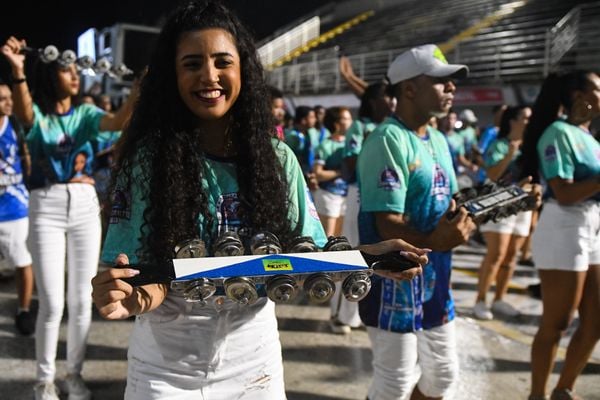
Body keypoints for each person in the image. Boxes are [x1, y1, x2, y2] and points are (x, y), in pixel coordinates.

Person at [89, 2, 427, 399]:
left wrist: (367, 258)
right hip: (166, 366)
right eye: (192, 64)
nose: (209, 77)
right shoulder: (146, 161)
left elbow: (302, 258)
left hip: (254, 362)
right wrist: (129, 296)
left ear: (243, 70)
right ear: (172, 76)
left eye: (222, 62)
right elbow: (150, 280)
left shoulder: (277, 157)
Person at [2, 35, 139, 400]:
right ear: (51, 75)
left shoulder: (88, 115)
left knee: (81, 300)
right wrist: (17, 71)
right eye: (66, 69)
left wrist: (140, 89)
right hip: (44, 204)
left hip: (83, 204)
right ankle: (43, 380)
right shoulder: (38, 116)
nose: (75, 75)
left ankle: (73, 375)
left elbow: (117, 121)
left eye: (77, 69)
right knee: (52, 303)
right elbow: (25, 112)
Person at [357, 44, 476, 400]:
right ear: (409, 89)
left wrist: (490, 206)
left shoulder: (438, 138)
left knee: (442, 375)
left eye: (453, 82)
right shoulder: (387, 139)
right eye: (442, 82)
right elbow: (385, 224)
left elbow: (451, 204)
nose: (452, 88)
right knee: (392, 384)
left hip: (436, 280)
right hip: (393, 281)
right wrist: (437, 239)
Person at [522, 71, 600, 400]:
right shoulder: (557, 133)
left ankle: (563, 388)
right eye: (598, 89)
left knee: (595, 320)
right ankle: (537, 395)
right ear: (578, 96)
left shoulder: (590, 137)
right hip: (564, 224)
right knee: (557, 322)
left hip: (592, 223)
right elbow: (565, 193)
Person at [472, 105, 534, 320]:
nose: (529, 121)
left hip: (523, 204)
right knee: (496, 254)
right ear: (513, 121)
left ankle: (499, 298)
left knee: (511, 257)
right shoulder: (498, 145)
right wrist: (509, 154)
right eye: (525, 117)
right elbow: (492, 173)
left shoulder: (530, 147)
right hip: (499, 201)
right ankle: (480, 300)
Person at [0, 81, 35, 335]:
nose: (9, 102)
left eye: (9, 97)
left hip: (15, 207)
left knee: (23, 262)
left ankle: (23, 310)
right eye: (2, 99)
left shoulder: (16, 126)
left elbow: (29, 159)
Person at [312, 106, 352, 238]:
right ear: (336, 123)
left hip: (345, 196)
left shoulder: (351, 144)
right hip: (328, 195)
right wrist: (340, 172)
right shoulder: (326, 145)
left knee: (340, 237)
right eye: (346, 118)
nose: (351, 122)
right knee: (328, 237)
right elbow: (318, 173)